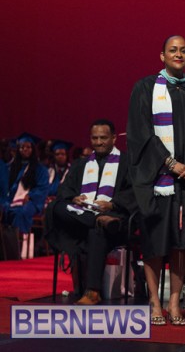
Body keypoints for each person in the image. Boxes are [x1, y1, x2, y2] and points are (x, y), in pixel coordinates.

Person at [127, 35, 185, 326]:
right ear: (162, 55)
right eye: (172, 50)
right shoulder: (146, 87)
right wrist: (170, 163)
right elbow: (141, 133)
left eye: (183, 50)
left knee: (182, 243)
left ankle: (174, 302)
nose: (178, 54)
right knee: (156, 242)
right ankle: (154, 301)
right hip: (159, 180)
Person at [45, 119, 136, 304]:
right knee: (56, 207)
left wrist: (112, 205)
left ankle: (92, 291)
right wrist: (74, 198)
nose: (98, 142)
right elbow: (64, 189)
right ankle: (95, 219)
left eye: (103, 138)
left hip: (114, 221)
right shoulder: (81, 164)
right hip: (82, 218)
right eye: (95, 138)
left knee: (96, 230)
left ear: (114, 138)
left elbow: (134, 192)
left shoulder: (127, 162)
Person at [1, 133, 50, 241]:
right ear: (18, 149)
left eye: (28, 147)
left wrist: (30, 195)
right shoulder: (11, 167)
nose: (25, 149)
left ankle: (20, 244)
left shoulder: (40, 169)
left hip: (32, 201)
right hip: (11, 200)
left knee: (22, 212)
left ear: (33, 149)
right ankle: (5, 244)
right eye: (22, 147)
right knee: (5, 210)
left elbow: (42, 188)